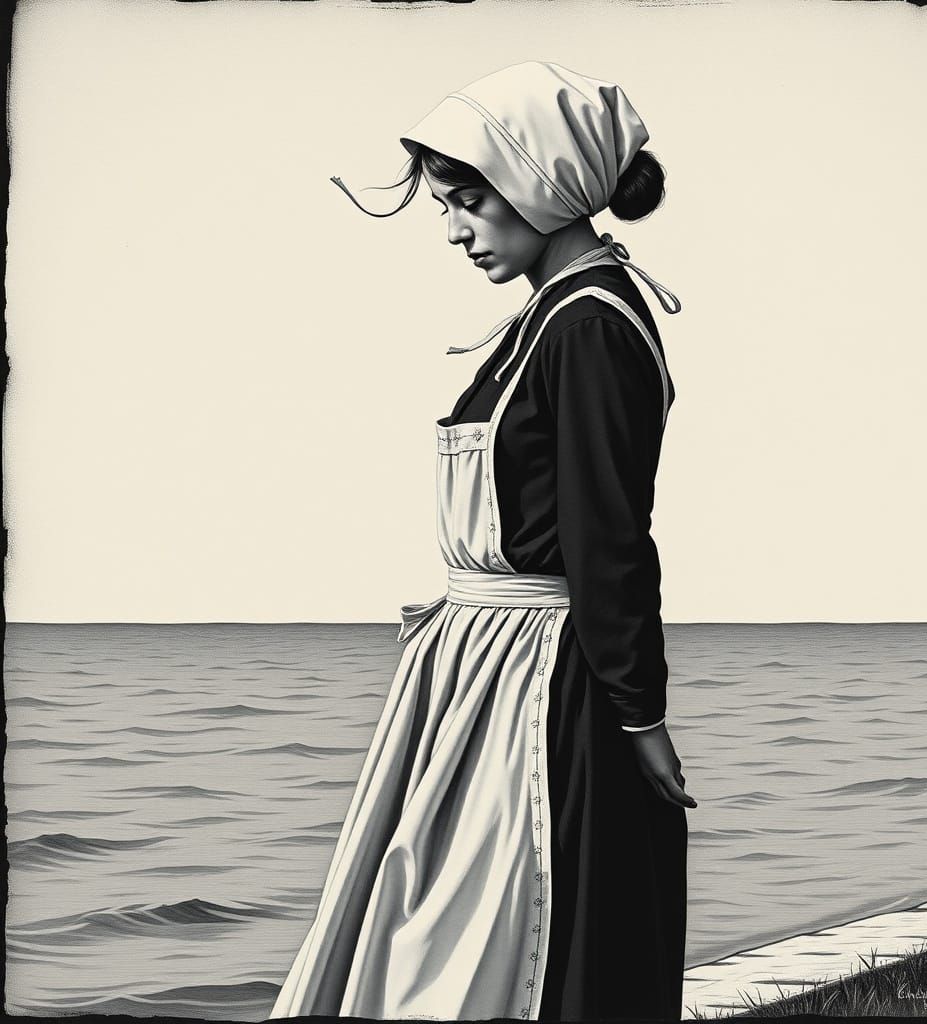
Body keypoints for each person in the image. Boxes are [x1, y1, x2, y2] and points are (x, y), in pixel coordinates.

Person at [269, 60, 696, 1023]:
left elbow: (609, 537)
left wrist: (639, 712)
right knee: (442, 921)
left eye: (469, 202)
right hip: (485, 670)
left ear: (541, 184)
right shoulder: (549, 318)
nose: (456, 230)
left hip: (542, 677)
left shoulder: (588, 327)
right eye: (448, 206)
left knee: (514, 927)